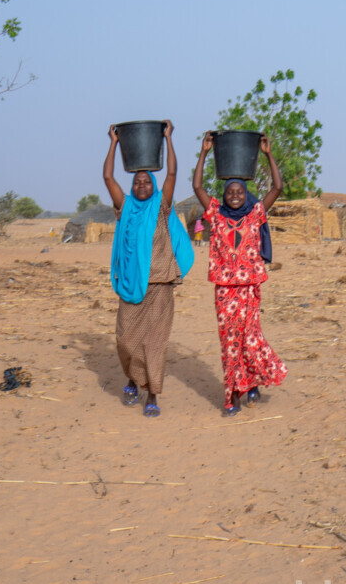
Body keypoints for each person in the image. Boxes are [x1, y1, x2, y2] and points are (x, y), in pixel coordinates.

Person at [103, 121, 194, 418]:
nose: (142, 185)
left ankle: (152, 395)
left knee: (154, 344)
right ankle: (132, 378)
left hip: (160, 286)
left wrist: (168, 139)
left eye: (146, 182)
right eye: (137, 182)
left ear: (153, 187)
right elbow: (107, 176)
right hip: (132, 287)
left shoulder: (161, 206)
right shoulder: (125, 208)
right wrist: (114, 142)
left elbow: (171, 173)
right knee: (126, 341)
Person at [194, 131, 288, 415]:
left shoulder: (255, 213)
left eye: (239, 192)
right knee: (229, 341)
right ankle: (233, 393)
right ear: (224, 196)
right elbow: (197, 186)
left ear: (246, 195)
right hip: (224, 288)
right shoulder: (216, 214)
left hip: (248, 287)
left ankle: (251, 381)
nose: (235, 196)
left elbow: (277, 189)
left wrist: (268, 154)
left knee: (249, 337)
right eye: (230, 192)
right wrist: (204, 153)